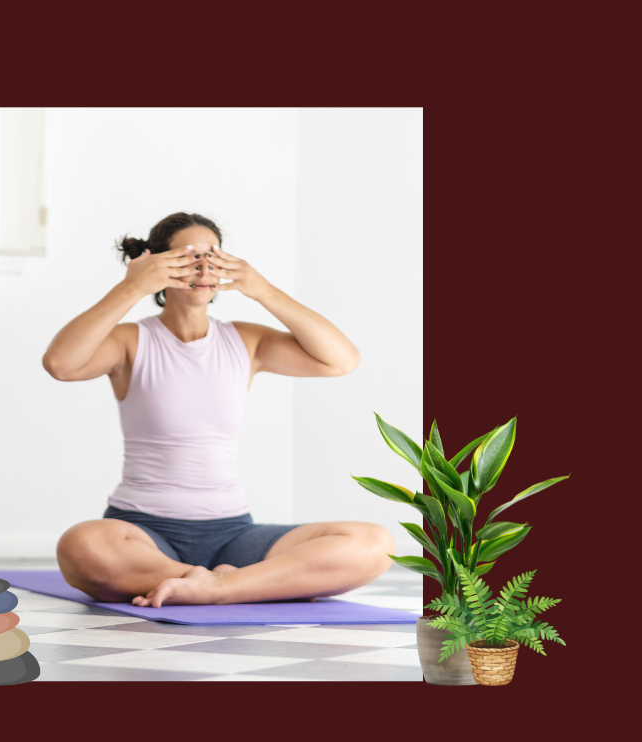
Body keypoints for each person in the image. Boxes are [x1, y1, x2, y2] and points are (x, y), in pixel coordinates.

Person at [42, 212, 396, 607]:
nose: (203, 268)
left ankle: (215, 587)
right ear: (157, 264)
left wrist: (263, 290)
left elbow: (342, 360)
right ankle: (232, 584)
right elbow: (61, 364)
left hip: (233, 534)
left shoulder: (245, 341)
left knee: (374, 544)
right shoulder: (130, 341)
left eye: (213, 256)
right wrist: (132, 287)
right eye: (187, 257)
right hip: (142, 533)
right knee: (81, 546)